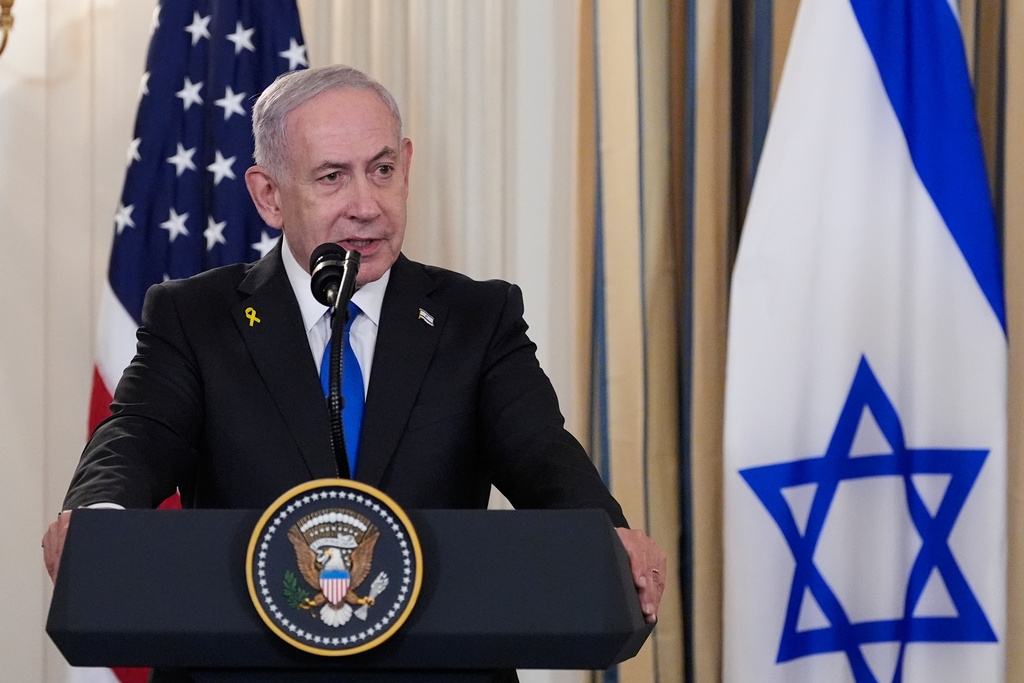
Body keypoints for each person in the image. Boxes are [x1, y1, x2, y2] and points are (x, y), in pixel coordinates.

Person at [43, 66, 665, 628]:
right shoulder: (195, 318)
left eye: (382, 170)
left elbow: (540, 453)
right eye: (332, 177)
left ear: (407, 167)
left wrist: (605, 532)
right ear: (269, 195)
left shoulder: (477, 318)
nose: (366, 206)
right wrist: (99, 513)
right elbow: (139, 435)